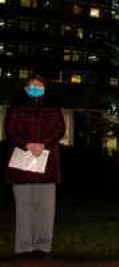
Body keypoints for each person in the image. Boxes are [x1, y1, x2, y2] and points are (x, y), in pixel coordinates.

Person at [4, 76, 65, 259]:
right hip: (22, 165)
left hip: (47, 164)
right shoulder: (15, 109)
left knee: (46, 208)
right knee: (23, 207)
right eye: (31, 86)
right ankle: (24, 247)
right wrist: (27, 145)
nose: (35, 88)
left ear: (45, 88)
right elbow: (10, 131)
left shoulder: (54, 109)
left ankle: (42, 246)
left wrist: (43, 145)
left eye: (39, 86)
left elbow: (60, 129)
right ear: (25, 89)